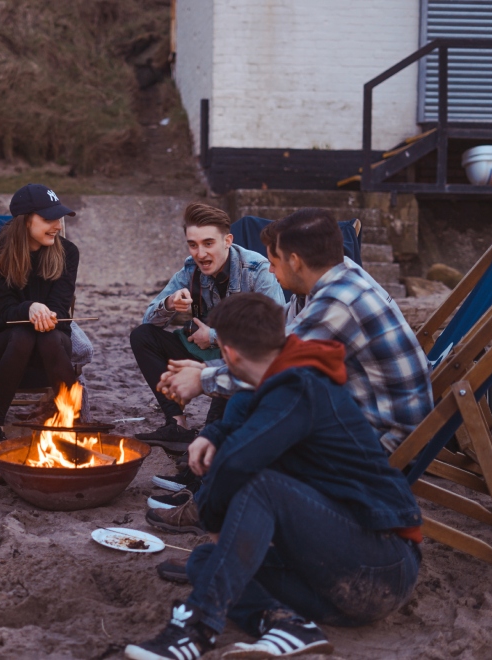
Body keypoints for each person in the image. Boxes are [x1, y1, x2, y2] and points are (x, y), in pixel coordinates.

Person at [126, 294, 422, 660]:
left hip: (381, 568)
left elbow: (237, 464)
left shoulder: (301, 385)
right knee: (205, 561)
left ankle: (196, 629)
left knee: (260, 487)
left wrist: (212, 517)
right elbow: (239, 414)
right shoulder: (273, 376)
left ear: (229, 355)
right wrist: (213, 434)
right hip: (330, 585)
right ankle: (287, 625)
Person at [158, 208, 432, 454]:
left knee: (260, 410)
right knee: (245, 402)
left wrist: (202, 379)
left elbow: (277, 367)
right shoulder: (332, 277)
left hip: (385, 438)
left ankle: (209, 494)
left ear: (295, 262)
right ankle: (204, 486)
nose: (271, 272)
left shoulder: (339, 302)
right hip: (359, 408)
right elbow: (279, 340)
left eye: (274, 264)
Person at [129, 202, 284, 452]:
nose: (200, 254)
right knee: (143, 336)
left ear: (227, 240)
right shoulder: (191, 269)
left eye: (208, 243)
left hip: (242, 360)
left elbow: (275, 333)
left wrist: (213, 336)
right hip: (203, 352)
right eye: (193, 244)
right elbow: (149, 318)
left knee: (214, 431)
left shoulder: (257, 269)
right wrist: (170, 303)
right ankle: (176, 424)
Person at [0, 184, 79, 451]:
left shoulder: (68, 253)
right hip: (6, 342)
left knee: (47, 337)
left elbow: (60, 305)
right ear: (25, 221)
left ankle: (70, 422)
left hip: (53, 343)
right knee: (24, 335)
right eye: (48, 219)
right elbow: (3, 308)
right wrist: (29, 308)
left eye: (58, 218)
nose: (57, 225)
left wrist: (46, 314)